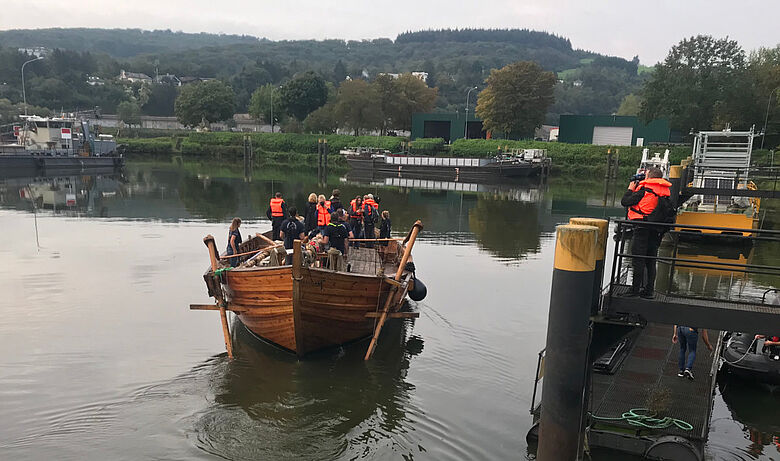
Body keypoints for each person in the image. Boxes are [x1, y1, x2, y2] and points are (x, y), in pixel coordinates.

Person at [620, 167, 671, 298]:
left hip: (642, 228)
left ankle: (634, 290)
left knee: (638, 259)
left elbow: (625, 202)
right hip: (656, 229)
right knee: (651, 261)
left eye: (645, 175)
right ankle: (649, 291)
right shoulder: (664, 191)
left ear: (650, 177)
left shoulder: (645, 190)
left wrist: (630, 189)